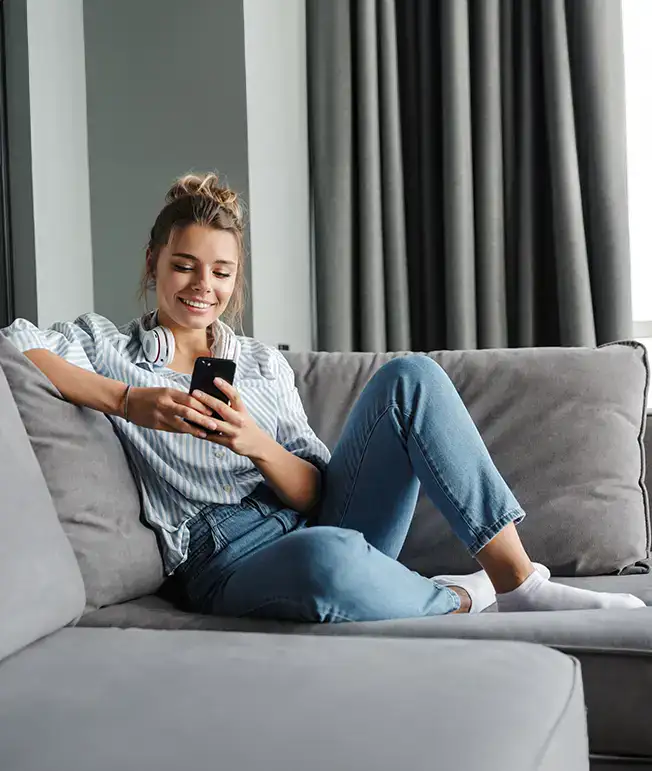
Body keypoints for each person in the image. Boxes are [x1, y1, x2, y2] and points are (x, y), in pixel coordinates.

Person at [2, 173, 644, 621]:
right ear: (153, 264)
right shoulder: (107, 345)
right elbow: (19, 341)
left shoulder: (258, 362)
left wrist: (256, 445)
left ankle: (518, 581)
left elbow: (313, 490)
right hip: (224, 554)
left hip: (316, 516)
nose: (202, 286)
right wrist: (127, 401)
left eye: (221, 272)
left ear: (235, 279)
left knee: (410, 378)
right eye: (183, 265)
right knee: (328, 559)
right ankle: (459, 597)